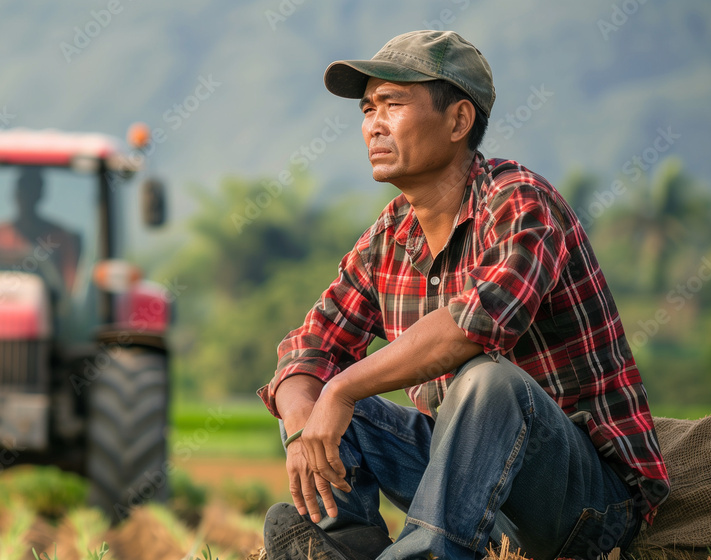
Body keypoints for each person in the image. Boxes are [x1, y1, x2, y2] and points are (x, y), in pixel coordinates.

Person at [258, 30, 670, 560]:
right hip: (468, 486)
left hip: (583, 505)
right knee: (323, 403)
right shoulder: (389, 236)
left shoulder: (521, 203)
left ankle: (426, 554)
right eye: (367, 109)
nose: (373, 124)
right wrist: (302, 426)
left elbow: (474, 325)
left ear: (458, 121)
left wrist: (340, 391)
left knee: (490, 382)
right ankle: (344, 543)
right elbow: (307, 346)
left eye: (392, 104)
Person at [0, 167, 81, 290]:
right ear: (16, 193)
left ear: (40, 194)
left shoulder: (58, 238)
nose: (26, 196)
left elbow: (72, 287)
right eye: (23, 189)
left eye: (31, 190)